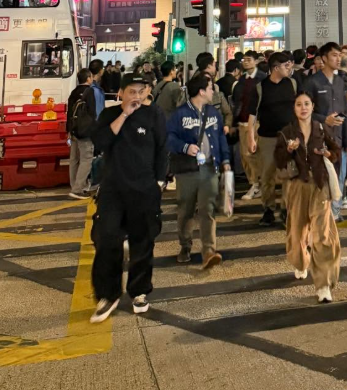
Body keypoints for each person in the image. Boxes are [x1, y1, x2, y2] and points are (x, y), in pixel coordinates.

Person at [89, 73, 168, 323]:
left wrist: (160, 181)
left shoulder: (154, 115)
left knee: (142, 243)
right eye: (131, 91)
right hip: (113, 190)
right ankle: (108, 294)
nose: (137, 96)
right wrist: (124, 114)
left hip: (144, 190)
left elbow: (162, 149)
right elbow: (101, 142)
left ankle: (139, 291)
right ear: (121, 93)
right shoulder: (110, 114)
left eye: (141, 91)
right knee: (106, 239)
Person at [275, 92, 342, 303]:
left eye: (306, 104)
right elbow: (278, 160)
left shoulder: (321, 128)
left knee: (322, 236)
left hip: (320, 185)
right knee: (297, 233)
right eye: (299, 104)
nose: (303, 108)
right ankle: (301, 262)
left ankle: (323, 285)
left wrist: (328, 154)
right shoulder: (287, 132)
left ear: (313, 106)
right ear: (294, 108)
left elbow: (336, 151)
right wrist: (288, 149)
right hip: (297, 186)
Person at [166, 74, 232, 270]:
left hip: (210, 168)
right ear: (202, 91)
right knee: (185, 211)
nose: (213, 92)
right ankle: (185, 245)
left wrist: (225, 160)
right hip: (187, 170)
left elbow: (220, 138)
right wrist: (185, 147)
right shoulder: (180, 114)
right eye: (211, 88)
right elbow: (168, 138)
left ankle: (209, 251)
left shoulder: (214, 113)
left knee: (207, 210)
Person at [305, 42, 347, 222]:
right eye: (334, 55)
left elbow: (346, 114)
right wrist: (324, 119)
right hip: (318, 140)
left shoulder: (341, 83)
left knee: (338, 177)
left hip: (338, 140)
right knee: (320, 179)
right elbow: (302, 112)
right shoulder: (312, 82)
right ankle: (321, 214)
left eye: (340, 55)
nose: (339, 59)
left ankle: (334, 212)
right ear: (323, 58)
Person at [248, 52, 298, 226]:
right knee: (267, 175)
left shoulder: (292, 84)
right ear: (276, 68)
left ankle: (285, 209)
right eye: (286, 65)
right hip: (267, 137)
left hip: (288, 138)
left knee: (288, 174)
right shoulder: (260, 87)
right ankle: (268, 209)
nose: (289, 68)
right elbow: (252, 115)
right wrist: (251, 138)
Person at [234, 51, 267, 200]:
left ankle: (257, 184)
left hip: (256, 122)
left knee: (252, 154)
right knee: (245, 156)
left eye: (249, 59)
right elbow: (238, 101)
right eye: (244, 59)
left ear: (256, 61)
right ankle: (255, 183)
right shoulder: (242, 79)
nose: (246, 62)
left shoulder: (262, 78)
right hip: (242, 121)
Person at [66, 68, 96, 200]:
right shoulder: (90, 92)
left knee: (74, 159)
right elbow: (92, 113)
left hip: (74, 130)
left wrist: (68, 130)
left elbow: (69, 112)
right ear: (88, 78)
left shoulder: (74, 92)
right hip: (85, 131)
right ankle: (78, 189)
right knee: (86, 159)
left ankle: (74, 185)